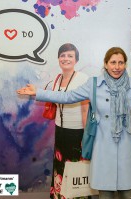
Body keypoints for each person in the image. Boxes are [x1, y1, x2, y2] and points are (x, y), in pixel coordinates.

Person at [17, 47, 131, 199]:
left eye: (120, 63)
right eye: (113, 62)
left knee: (128, 194)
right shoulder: (94, 84)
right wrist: (38, 92)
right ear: (106, 64)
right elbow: (67, 96)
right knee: (105, 195)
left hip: (125, 147)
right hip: (102, 147)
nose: (117, 67)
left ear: (125, 64)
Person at [47, 43, 89, 199]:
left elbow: (86, 110)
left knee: (76, 172)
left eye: (70, 56)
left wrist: (86, 138)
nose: (66, 59)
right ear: (58, 59)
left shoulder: (83, 79)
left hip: (77, 133)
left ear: (76, 60)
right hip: (60, 131)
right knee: (60, 169)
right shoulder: (57, 80)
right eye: (63, 55)